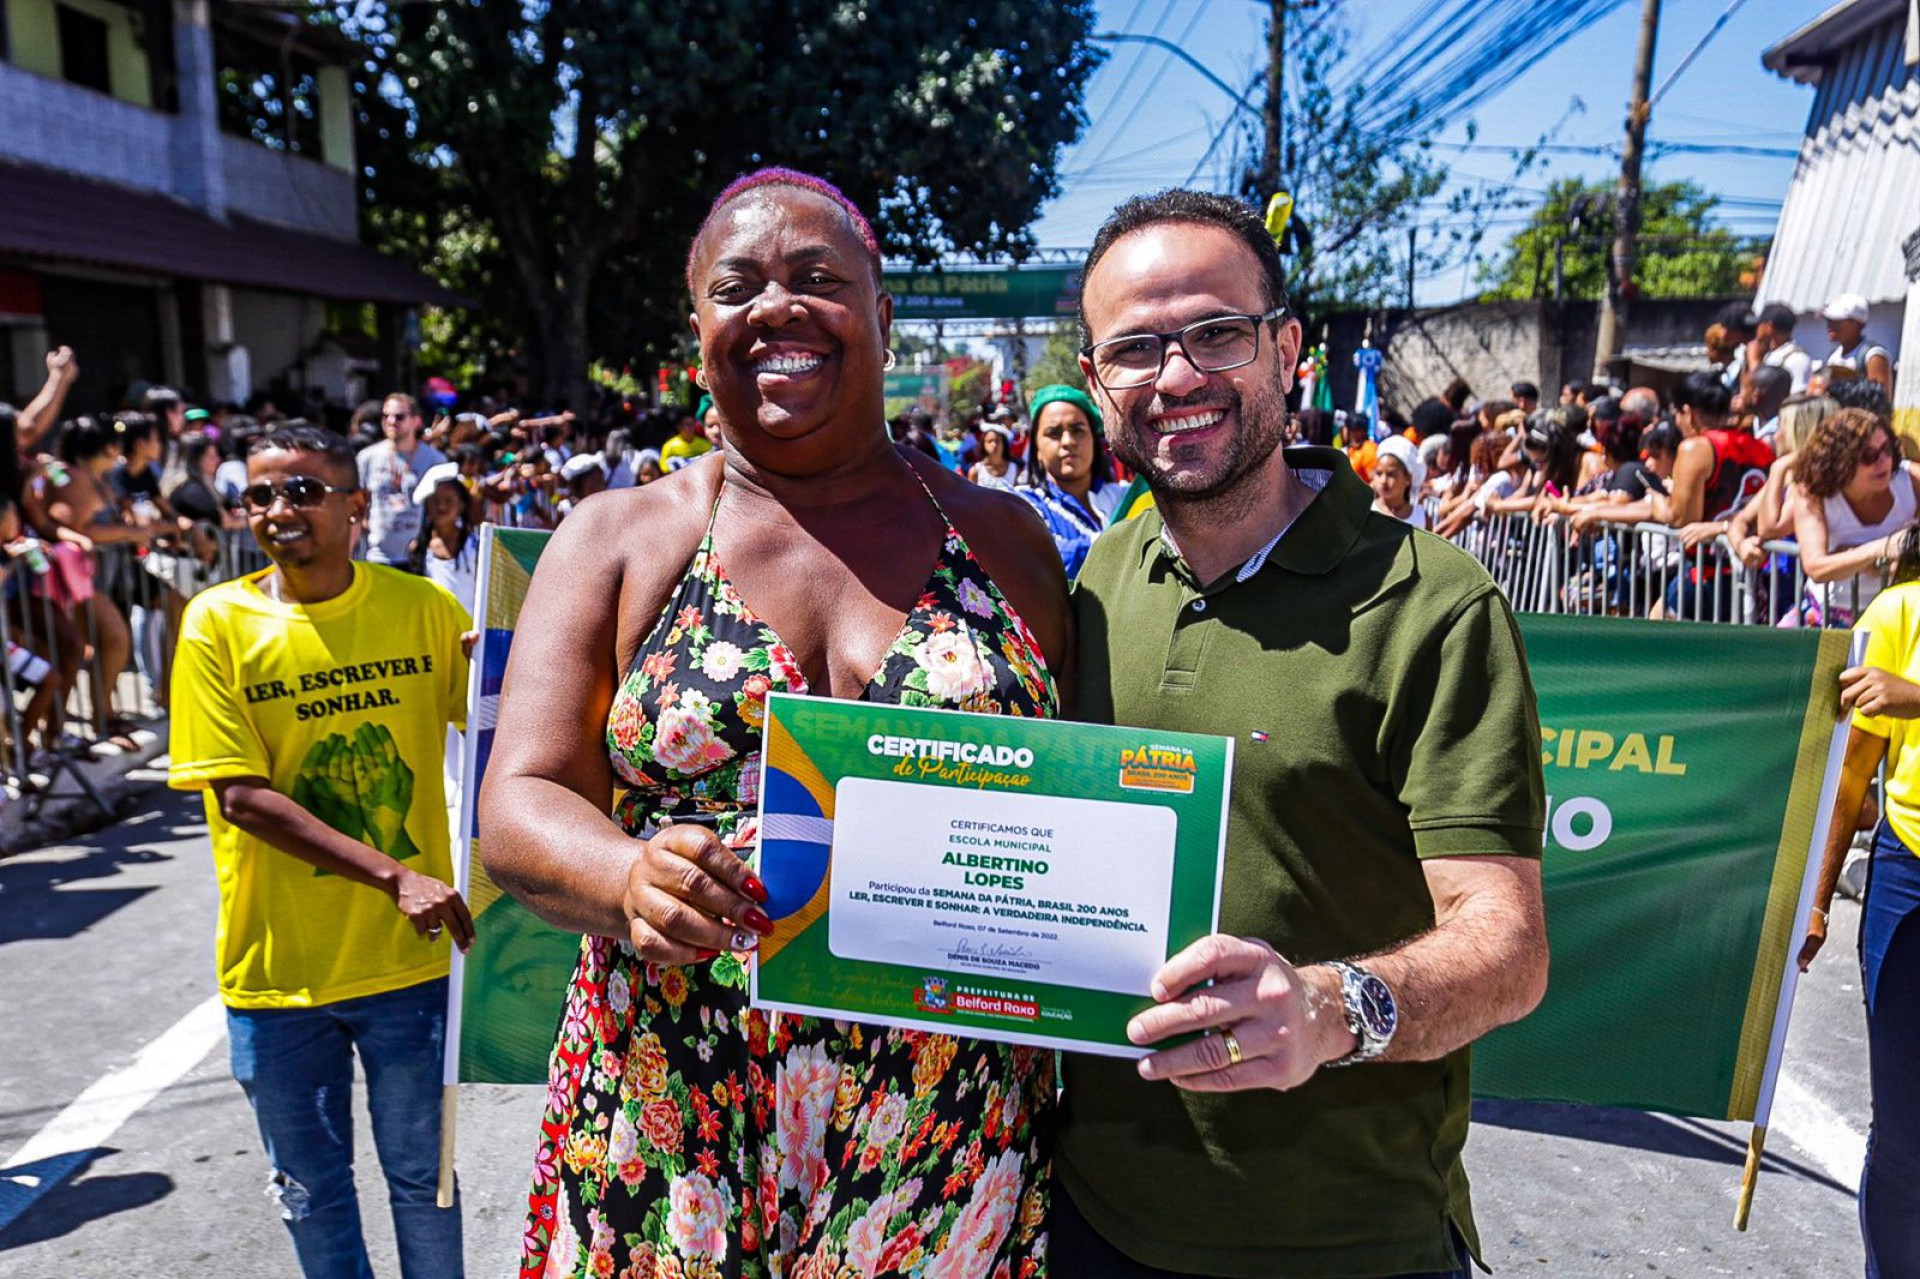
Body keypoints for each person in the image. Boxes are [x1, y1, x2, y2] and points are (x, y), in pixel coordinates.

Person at [478, 167, 1070, 1278]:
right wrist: (627, 876)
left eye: (818, 279)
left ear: (883, 318)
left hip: (945, 1117)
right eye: (737, 285)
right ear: (698, 324)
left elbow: (1090, 805)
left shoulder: (1007, 543)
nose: (777, 308)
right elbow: (519, 806)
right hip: (671, 1100)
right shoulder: (618, 539)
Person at [1059, 188, 1546, 1279]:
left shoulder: (1433, 604)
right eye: (1135, 347)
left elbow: (1508, 946)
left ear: (1287, 351)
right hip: (1093, 1220)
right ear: (1096, 385)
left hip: (1349, 1242)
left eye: (1216, 332)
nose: (1177, 376)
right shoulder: (1093, 584)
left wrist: (1332, 1009)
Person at [167, 423, 473, 1279]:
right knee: (310, 1189)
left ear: (356, 505)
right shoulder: (215, 624)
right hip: (276, 975)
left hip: (407, 971)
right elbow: (242, 796)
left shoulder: (422, 610)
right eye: (260, 494)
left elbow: (498, 732)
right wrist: (396, 874)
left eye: (301, 490)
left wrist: (511, 671)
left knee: (427, 1181)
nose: (277, 509)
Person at [1800, 539, 1920, 1275]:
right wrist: (1814, 901)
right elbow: (1849, 781)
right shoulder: (1899, 611)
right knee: (1905, 1131)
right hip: (1909, 873)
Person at [1790, 407, 1918, 627]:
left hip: (1898, 613)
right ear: (1840, 461)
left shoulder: (1912, 480)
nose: (1883, 461)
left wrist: (1864, 561)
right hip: (1834, 617)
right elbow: (1816, 567)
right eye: (1869, 456)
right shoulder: (1813, 493)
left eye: (1887, 449)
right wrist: (1880, 549)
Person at [1017, 382, 1126, 578]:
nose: (1068, 441)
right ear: (1036, 448)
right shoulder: (1022, 506)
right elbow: (1048, 557)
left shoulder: (1126, 498)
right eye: (1054, 433)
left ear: (1094, 439)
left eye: (1078, 430)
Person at [358, 393, 448, 568]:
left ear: (416, 421)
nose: (391, 421)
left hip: (419, 559)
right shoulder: (367, 457)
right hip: (377, 557)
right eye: (385, 416)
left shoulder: (435, 460)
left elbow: (442, 508)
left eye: (399, 416)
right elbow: (358, 502)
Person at [407, 461, 480, 614]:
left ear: (461, 505)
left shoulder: (476, 546)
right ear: (427, 506)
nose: (441, 507)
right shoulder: (419, 548)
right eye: (435, 501)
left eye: (448, 501)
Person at [1821, 292, 1895, 403]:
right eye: (1829, 320)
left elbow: (1880, 402)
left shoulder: (1873, 356)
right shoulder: (1834, 357)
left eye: (1837, 321)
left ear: (1857, 324)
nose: (1830, 326)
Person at [1370, 433, 1428, 527]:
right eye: (1379, 473)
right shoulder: (1367, 510)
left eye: (1391, 474)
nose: (1383, 480)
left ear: (1408, 478)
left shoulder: (1421, 517)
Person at [968, 419, 1019, 490]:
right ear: (983, 444)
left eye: (997, 441)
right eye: (989, 441)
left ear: (1004, 444)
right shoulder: (975, 471)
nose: (994, 445)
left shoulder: (1014, 468)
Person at [661, 405, 714, 471]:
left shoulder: (705, 444)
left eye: (692, 424)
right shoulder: (669, 446)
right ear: (678, 426)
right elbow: (663, 467)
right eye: (687, 424)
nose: (690, 427)